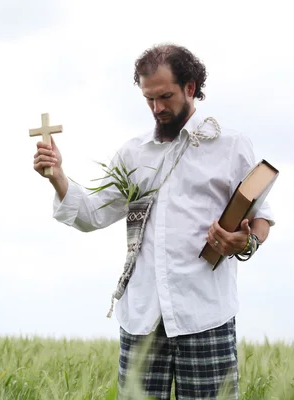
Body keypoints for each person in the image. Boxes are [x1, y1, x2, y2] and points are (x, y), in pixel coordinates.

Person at [32, 43, 275, 399]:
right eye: (149, 99)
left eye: (166, 96)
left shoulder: (231, 146)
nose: (158, 108)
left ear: (190, 88)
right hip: (142, 318)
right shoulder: (133, 154)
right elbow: (92, 214)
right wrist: (58, 177)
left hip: (205, 314)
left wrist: (246, 242)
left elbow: (262, 219)